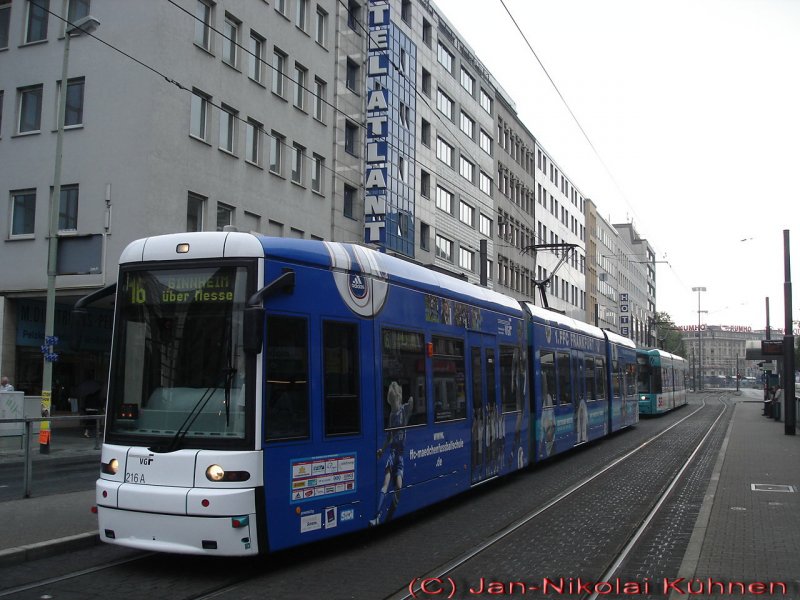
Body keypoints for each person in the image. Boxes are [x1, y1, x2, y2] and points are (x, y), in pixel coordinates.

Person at [371, 381, 413, 526]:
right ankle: (377, 516)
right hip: (393, 453)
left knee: (399, 486)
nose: (394, 403)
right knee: (385, 483)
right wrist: (382, 450)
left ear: (398, 398)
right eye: (392, 401)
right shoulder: (392, 414)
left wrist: (411, 400)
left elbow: (411, 405)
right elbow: (389, 436)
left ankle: (390, 513)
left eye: (395, 400)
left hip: (400, 455)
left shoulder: (403, 410)